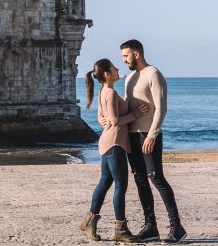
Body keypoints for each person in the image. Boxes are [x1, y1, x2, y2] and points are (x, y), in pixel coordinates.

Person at [119, 39, 187, 243]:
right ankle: (151, 227)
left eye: (126, 56)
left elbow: (161, 107)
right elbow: (126, 106)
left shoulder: (154, 74)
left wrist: (152, 134)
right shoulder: (129, 78)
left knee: (156, 177)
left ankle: (177, 228)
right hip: (132, 135)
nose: (124, 60)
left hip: (148, 135)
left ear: (137, 54)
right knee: (139, 179)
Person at [79, 58, 148, 243]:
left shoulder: (106, 91)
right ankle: (120, 228)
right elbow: (116, 120)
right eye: (114, 68)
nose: (118, 69)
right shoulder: (109, 93)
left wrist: (105, 117)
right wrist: (136, 114)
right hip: (114, 143)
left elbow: (105, 115)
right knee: (120, 186)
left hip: (109, 142)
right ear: (107, 74)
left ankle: (89, 221)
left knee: (105, 182)